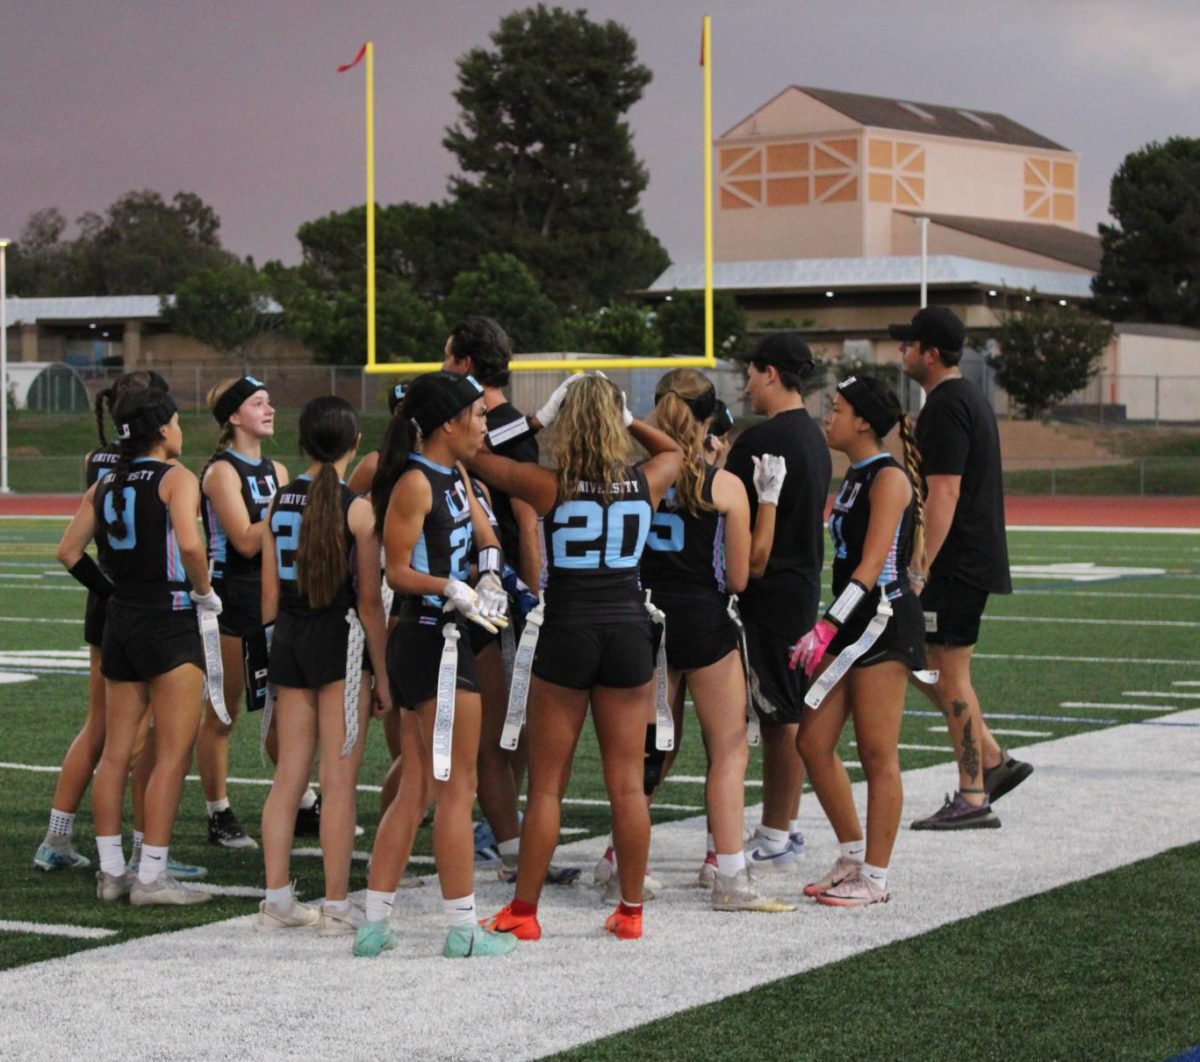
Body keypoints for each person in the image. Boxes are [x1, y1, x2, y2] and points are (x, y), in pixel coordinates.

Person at [470, 373, 683, 942]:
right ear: (616, 423)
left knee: (546, 787)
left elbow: (477, 451)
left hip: (567, 629)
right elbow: (675, 450)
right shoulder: (646, 481)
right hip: (627, 629)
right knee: (627, 786)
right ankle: (631, 911)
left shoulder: (548, 485)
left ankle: (525, 910)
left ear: (566, 421)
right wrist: (627, 413)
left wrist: (537, 418)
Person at [353, 371, 516, 960]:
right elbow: (395, 571)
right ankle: (463, 928)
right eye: (476, 414)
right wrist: (452, 586)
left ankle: (374, 924)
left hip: (443, 635)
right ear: (448, 421)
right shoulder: (415, 483)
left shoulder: (458, 473)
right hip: (432, 638)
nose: (483, 423)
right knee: (456, 788)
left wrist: (492, 570)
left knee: (419, 784)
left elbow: (484, 528)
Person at [639, 368, 794, 913]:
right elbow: (737, 579)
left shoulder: (637, 477)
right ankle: (728, 874)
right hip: (703, 621)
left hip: (645, 620)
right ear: (707, 419)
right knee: (728, 751)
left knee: (649, 750)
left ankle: (620, 864)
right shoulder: (723, 485)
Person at [39, 372, 204, 883]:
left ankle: (111, 872)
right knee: (171, 754)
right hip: (167, 616)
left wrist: (111, 590)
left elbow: (68, 551)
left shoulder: (103, 478)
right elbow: (193, 547)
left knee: (114, 750)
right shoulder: (176, 477)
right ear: (160, 428)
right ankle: (151, 873)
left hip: (120, 617)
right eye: (174, 421)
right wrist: (206, 592)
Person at [441, 317, 577, 884]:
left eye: (448, 359)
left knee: (502, 729)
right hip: (470, 592)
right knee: (495, 730)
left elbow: (528, 519)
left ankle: (505, 835)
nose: (443, 368)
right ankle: (506, 838)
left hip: (497, 596)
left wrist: (535, 593)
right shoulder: (499, 425)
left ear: (467, 365)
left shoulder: (497, 428)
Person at [892, 307, 1032, 829]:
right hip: (967, 560)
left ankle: (974, 793)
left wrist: (920, 565)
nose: (902, 352)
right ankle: (991, 758)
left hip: (956, 564)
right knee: (919, 660)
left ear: (930, 352)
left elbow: (943, 492)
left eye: (908, 344)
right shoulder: (962, 398)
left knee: (947, 673)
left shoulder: (948, 407)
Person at [256, 396, 390, 934]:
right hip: (340, 642)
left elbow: (267, 600)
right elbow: (370, 601)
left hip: (288, 636)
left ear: (303, 442)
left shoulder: (274, 502)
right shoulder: (357, 507)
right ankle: (336, 906)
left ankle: (276, 900)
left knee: (289, 777)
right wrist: (383, 672)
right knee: (338, 782)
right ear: (353, 444)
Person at [791, 376, 926, 906]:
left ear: (864, 422)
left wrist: (826, 625)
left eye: (837, 409)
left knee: (876, 752)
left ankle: (876, 877)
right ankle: (851, 854)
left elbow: (871, 567)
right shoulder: (855, 473)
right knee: (812, 741)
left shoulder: (888, 479)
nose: (829, 417)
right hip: (855, 621)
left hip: (883, 623)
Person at [725, 334, 832, 872]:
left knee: (778, 715)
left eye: (751, 372)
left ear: (770, 373)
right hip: (800, 584)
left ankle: (774, 831)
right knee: (783, 710)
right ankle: (780, 826)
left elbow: (735, 521)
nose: (746, 383)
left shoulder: (761, 441)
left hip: (768, 590)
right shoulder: (812, 437)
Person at [199, 376, 292, 849]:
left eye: (269, 400)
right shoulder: (221, 472)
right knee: (225, 711)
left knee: (279, 704)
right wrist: (288, 502)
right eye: (259, 403)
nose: (269, 408)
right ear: (235, 416)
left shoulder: (276, 467)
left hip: (271, 593)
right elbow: (245, 539)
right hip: (231, 596)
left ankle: (303, 800)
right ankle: (219, 813)